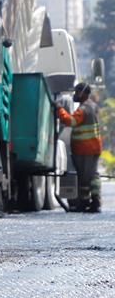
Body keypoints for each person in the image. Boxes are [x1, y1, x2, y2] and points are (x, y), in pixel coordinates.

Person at [55, 82, 103, 212]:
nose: (75, 95)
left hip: (85, 149)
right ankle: (94, 202)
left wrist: (59, 109)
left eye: (77, 92)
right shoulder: (92, 106)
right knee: (92, 176)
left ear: (83, 93)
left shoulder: (83, 109)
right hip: (93, 148)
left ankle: (86, 203)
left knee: (84, 178)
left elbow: (71, 121)